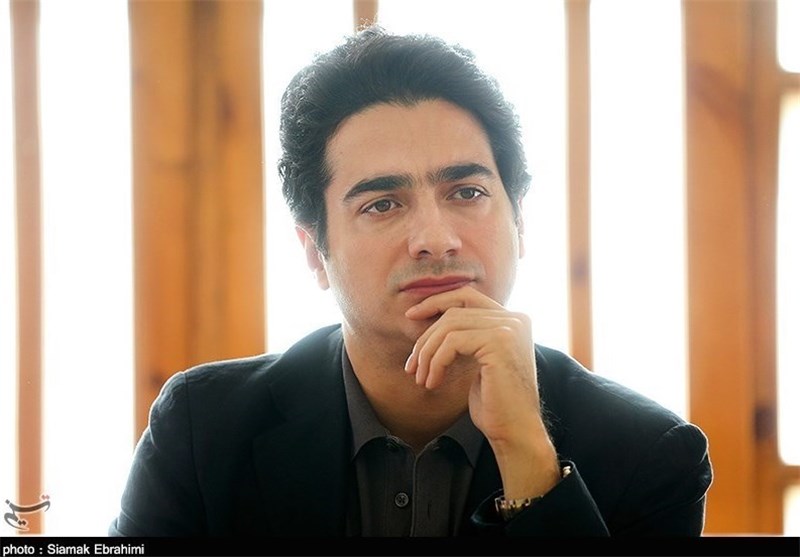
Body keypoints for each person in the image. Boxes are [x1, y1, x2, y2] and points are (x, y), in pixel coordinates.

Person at [109, 25, 712, 538]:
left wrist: (529, 460)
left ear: (520, 224)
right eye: (382, 204)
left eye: (467, 192)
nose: (435, 238)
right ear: (315, 252)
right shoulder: (202, 429)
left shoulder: (649, 454)